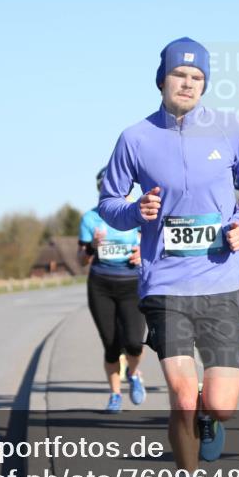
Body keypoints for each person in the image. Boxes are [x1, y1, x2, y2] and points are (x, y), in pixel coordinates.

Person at [99, 37, 239, 477]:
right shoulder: (135, 138)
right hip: (165, 285)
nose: (188, 84)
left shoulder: (231, 130)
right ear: (162, 79)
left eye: (197, 77)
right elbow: (109, 202)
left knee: (221, 405)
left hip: (221, 281)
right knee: (181, 394)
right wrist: (136, 211)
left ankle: (211, 419)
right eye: (180, 75)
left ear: (205, 84)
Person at [78, 167, 146, 414]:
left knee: (135, 343)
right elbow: (81, 261)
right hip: (101, 285)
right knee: (111, 345)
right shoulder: (91, 218)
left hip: (132, 284)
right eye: (105, 187)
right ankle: (115, 394)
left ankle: (134, 374)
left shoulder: (138, 213)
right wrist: (92, 246)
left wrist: (143, 254)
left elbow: (154, 247)